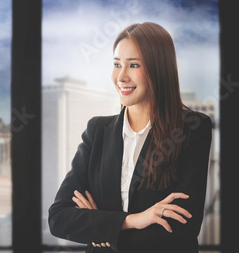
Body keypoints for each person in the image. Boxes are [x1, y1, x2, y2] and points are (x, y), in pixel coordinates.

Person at [48, 22, 212, 253]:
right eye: (116, 64)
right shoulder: (97, 131)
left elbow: (180, 229)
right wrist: (134, 220)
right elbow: (59, 218)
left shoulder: (192, 128)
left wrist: (100, 229)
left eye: (133, 65)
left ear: (159, 69)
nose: (121, 76)